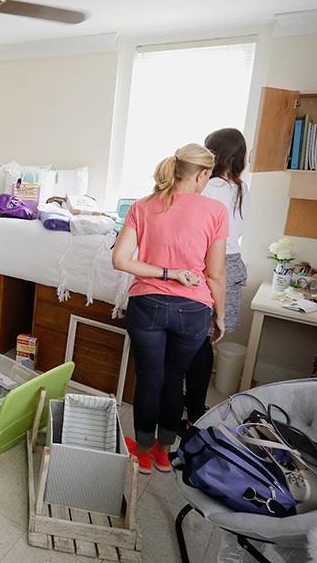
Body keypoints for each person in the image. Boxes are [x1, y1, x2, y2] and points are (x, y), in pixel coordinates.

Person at [112, 143, 227, 474]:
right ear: (202, 174)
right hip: (193, 310)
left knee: (149, 378)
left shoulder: (143, 206)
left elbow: (121, 260)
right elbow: (215, 274)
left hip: (147, 305)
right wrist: (219, 315)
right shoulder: (215, 211)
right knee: (175, 378)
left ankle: (143, 453)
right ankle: (164, 452)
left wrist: (165, 273)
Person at [184, 128, 249, 423]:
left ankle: (193, 407)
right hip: (233, 263)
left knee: (194, 341)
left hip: (211, 263)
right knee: (207, 340)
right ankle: (195, 405)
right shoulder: (242, 188)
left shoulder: (207, 187)